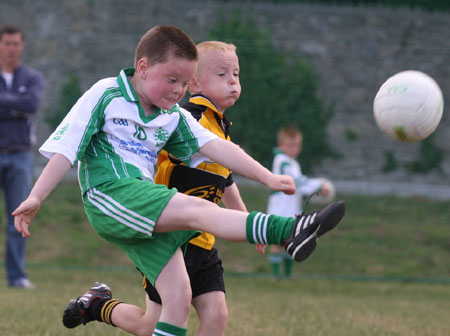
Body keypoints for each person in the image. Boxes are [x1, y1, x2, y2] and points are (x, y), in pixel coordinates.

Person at [13, 25, 345, 336]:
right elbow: (66, 151)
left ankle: (98, 305)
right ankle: (288, 231)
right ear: (142, 68)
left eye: (185, 83)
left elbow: (216, 147)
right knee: (194, 209)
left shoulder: (172, 116)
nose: (178, 90)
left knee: (178, 298)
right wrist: (36, 197)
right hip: (110, 194)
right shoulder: (107, 94)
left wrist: (268, 177)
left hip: (143, 206)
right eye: (172, 79)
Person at [62, 40, 245, 336]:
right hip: (171, 236)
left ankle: (97, 304)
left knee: (216, 316)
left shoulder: (218, 125)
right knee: (153, 323)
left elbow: (225, 179)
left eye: (236, 74)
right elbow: (148, 153)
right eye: (223, 74)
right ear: (195, 82)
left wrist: (245, 221)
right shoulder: (184, 118)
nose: (233, 82)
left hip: (204, 241)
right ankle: (97, 305)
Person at [0, 24, 45, 289]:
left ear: (22, 46)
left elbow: (32, 104)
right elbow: (22, 104)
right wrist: (15, 102)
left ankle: (17, 277)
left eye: (16, 43)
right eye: (7, 43)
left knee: (18, 217)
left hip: (20, 156)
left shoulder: (32, 78)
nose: (11, 48)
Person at [267, 126, 331, 279]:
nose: (293, 148)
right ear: (281, 145)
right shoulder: (282, 161)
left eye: (296, 145)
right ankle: (275, 276)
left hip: (291, 208)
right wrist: (318, 186)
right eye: (290, 145)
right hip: (279, 208)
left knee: (291, 242)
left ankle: (288, 276)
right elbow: (297, 182)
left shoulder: (293, 163)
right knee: (277, 243)